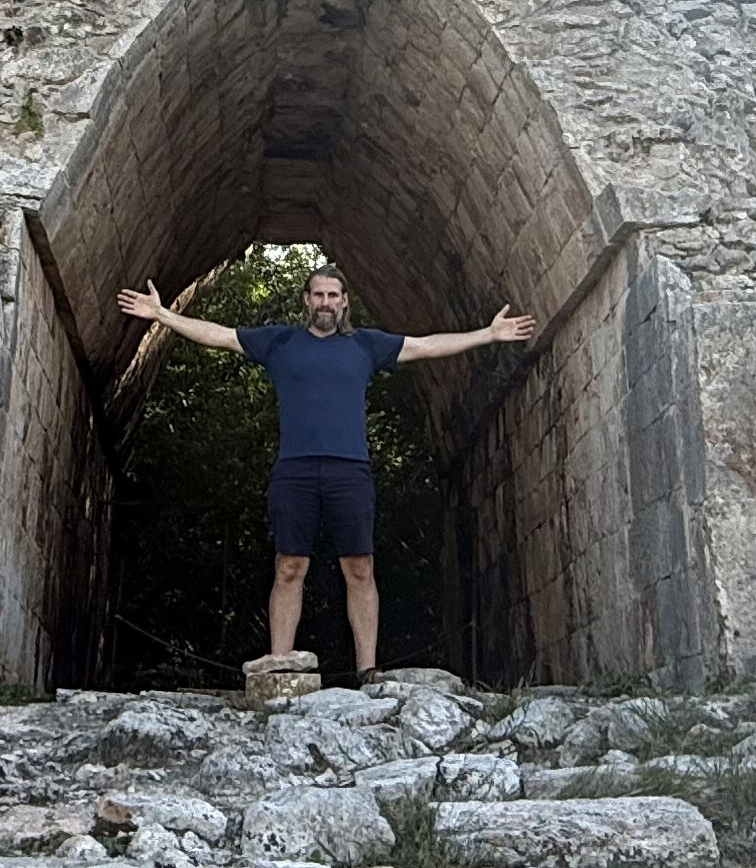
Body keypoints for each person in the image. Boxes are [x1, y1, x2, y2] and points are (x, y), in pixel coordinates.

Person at [116, 263, 539, 682]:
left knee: (359, 567)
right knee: (288, 566)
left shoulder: (366, 346)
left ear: (344, 302)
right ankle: (279, 666)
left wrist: (488, 334)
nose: (325, 302)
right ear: (306, 299)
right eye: (318, 294)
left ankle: (367, 671)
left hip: (349, 471)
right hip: (295, 471)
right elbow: (221, 335)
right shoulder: (280, 341)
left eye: (333, 295)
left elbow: (426, 345)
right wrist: (162, 315)